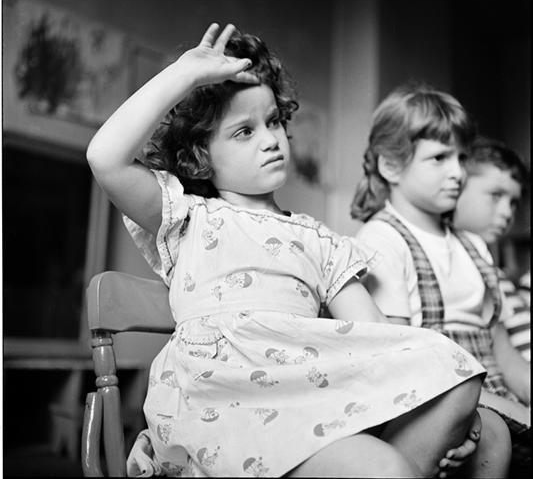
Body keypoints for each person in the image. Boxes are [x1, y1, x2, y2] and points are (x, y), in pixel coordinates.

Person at [87, 25, 505, 478]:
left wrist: (444, 404)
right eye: (244, 132)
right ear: (199, 156)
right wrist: (185, 75)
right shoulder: (187, 218)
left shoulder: (320, 240)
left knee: (454, 369)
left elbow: (376, 338)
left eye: (274, 122)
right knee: (386, 466)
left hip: (305, 400)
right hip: (225, 406)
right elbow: (105, 158)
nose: (270, 139)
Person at [351, 83, 528, 473]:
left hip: (493, 392)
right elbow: (397, 363)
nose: (458, 173)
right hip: (435, 396)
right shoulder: (383, 239)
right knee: (495, 433)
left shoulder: (474, 246)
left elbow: (503, 352)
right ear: (390, 166)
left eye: (462, 158)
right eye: (440, 158)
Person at [454, 136, 530, 363]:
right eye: (496, 195)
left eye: (513, 202)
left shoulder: (492, 272)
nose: (508, 212)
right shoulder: (457, 268)